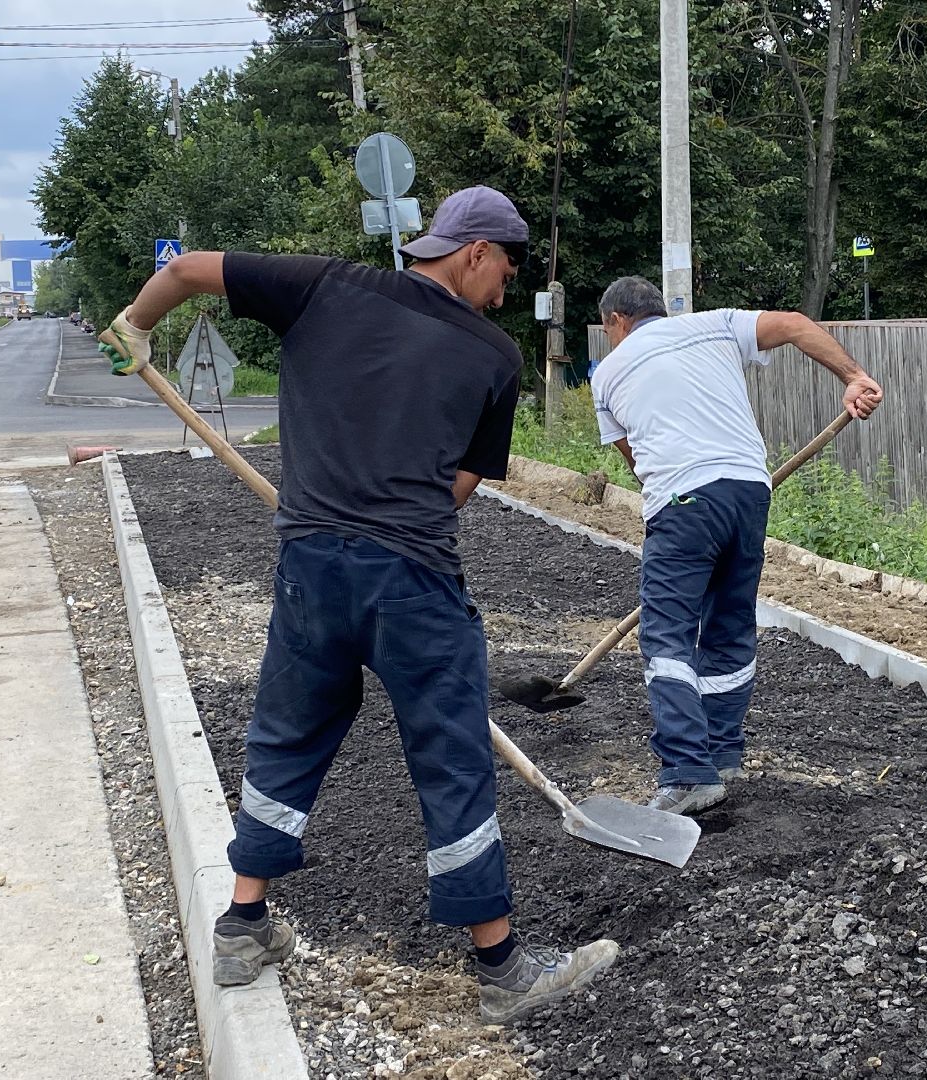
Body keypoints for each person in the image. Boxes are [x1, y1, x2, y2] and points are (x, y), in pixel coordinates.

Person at [98, 186, 618, 1024]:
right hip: (411, 578)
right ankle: (503, 970)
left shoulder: (323, 286)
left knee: (286, 733)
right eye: (507, 267)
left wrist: (136, 326)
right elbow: (456, 489)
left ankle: (243, 925)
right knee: (451, 756)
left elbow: (188, 270)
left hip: (311, 568)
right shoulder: (493, 355)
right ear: (475, 252)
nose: (507, 287)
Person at [591, 276, 883, 816]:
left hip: (682, 500)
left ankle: (686, 770)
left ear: (616, 322)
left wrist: (680, 509)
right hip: (750, 492)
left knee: (666, 637)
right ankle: (722, 755)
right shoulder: (716, 324)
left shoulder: (607, 373)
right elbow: (795, 324)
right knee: (728, 627)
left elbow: (637, 463)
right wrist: (854, 376)